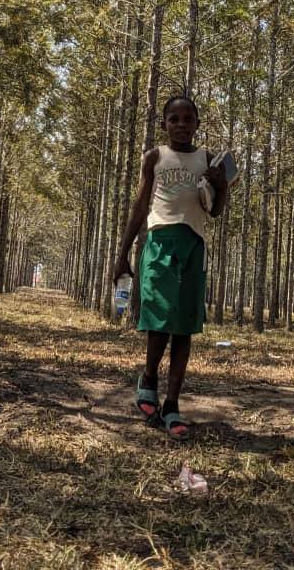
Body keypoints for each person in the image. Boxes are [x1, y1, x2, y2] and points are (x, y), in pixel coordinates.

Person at [113, 94, 228, 440]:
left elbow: (216, 210)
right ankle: (148, 379)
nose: (181, 125)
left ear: (197, 123)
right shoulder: (154, 157)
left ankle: (173, 403)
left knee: (184, 327)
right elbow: (140, 205)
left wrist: (221, 184)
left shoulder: (207, 159)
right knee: (159, 320)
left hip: (192, 245)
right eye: (173, 119)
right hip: (159, 244)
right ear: (163, 124)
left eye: (187, 118)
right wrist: (122, 253)